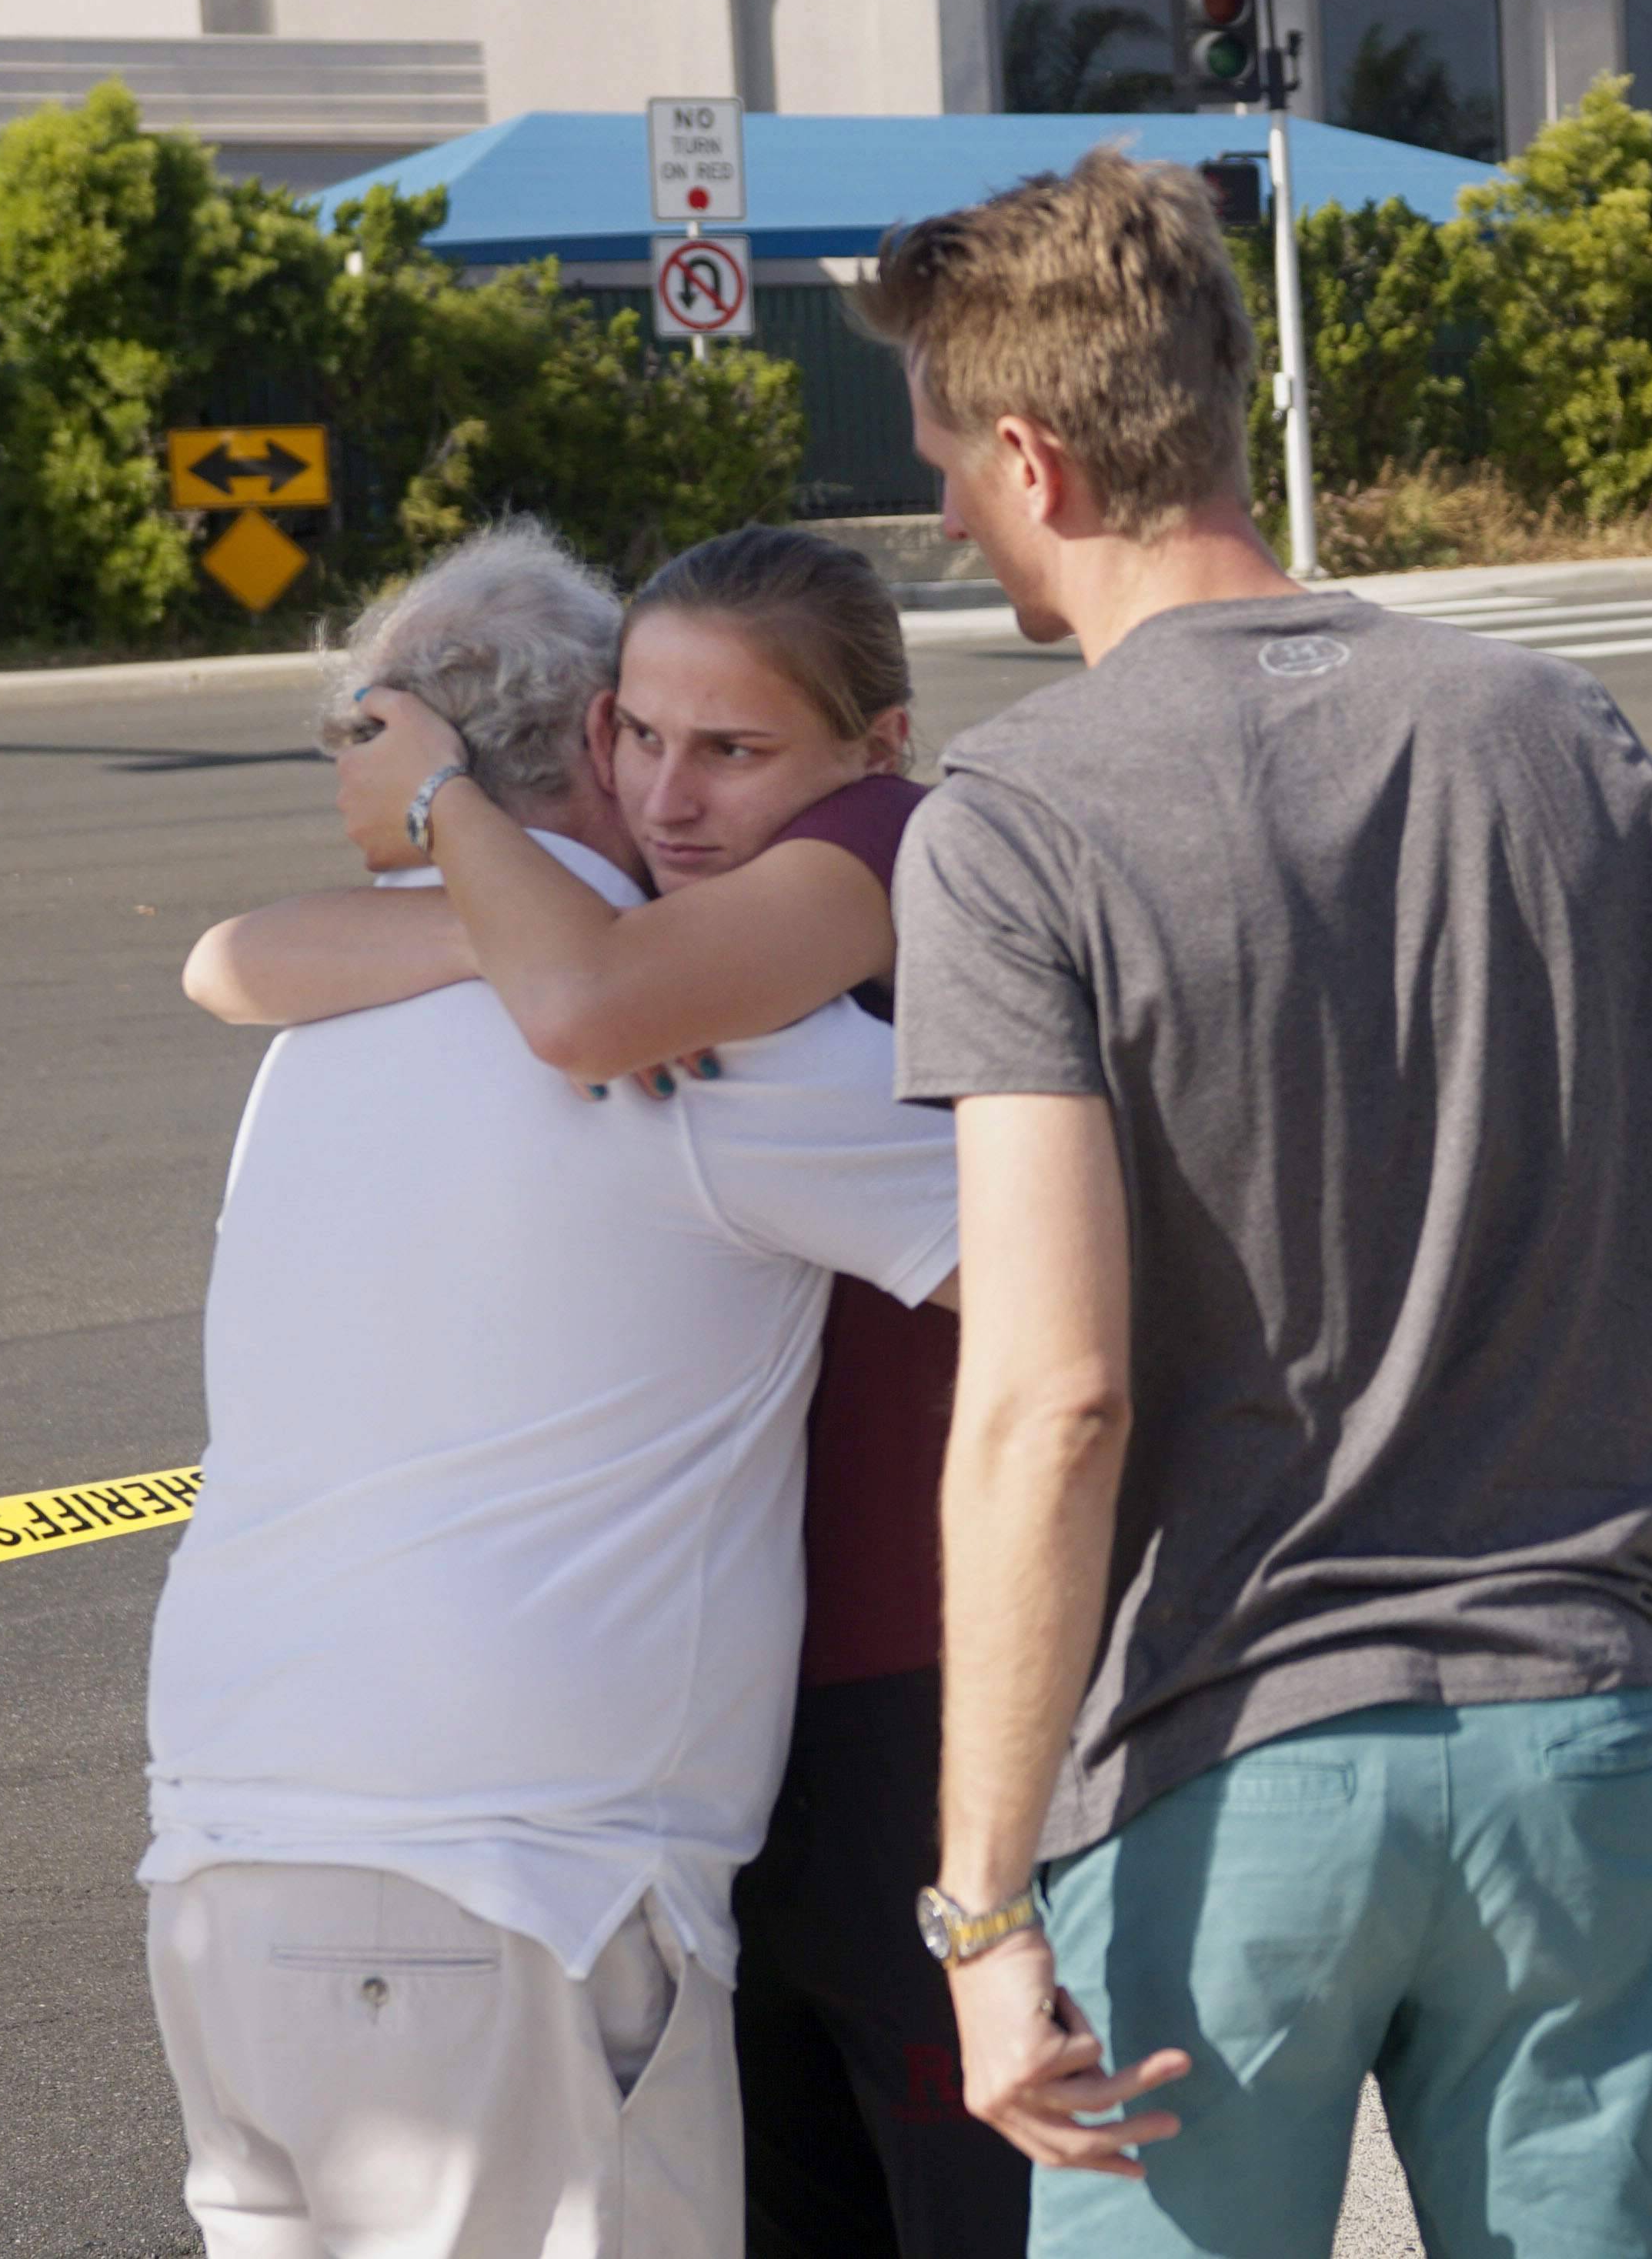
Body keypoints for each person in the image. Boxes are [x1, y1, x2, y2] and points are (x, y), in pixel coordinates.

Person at [869, 148, 1652, 2257]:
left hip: (1223, 1786)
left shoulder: (1016, 828)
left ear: (1034, 454)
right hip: (1580, 1739)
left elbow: (1053, 1404)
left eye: (945, 458)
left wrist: (981, 1905)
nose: (942, 510)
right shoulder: (1563, 739)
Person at [183, 525, 1034, 2257]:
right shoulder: (700, 1024)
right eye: (650, 737)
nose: (673, 787)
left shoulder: (318, 1023)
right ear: (595, 732)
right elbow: (1073, 1278)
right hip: (515, 1886)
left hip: (222, 1851)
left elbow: (230, 955)